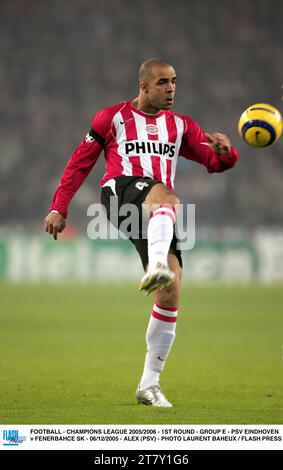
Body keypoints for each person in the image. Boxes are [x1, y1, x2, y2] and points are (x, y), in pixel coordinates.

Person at [44, 58, 239, 407]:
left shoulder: (182, 126)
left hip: (156, 214)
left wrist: (227, 153)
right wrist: (60, 206)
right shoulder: (111, 118)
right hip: (119, 193)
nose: (171, 89)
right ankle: (155, 267)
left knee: (171, 290)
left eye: (175, 82)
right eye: (163, 82)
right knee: (168, 196)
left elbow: (214, 162)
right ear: (145, 86)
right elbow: (80, 162)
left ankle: (148, 385)